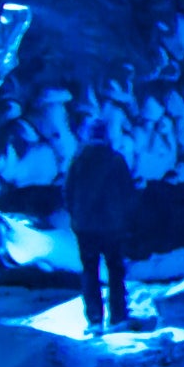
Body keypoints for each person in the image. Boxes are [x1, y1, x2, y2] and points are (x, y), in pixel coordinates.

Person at [64, 117, 139, 330]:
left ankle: (95, 318)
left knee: (90, 270)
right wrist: (125, 219)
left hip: (85, 227)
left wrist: (76, 216)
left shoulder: (78, 161)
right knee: (115, 270)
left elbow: (67, 192)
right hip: (112, 227)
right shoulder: (116, 160)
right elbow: (128, 193)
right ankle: (118, 315)